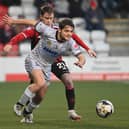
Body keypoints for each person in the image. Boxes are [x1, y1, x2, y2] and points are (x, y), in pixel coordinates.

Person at [3, 6, 96, 124]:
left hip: (52, 62)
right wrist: (13, 24)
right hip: (35, 60)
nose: (49, 21)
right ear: (41, 17)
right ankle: (19, 105)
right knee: (38, 84)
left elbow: (76, 43)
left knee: (43, 94)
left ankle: (29, 111)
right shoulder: (42, 29)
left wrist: (84, 56)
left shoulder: (65, 34)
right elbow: (26, 29)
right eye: (46, 18)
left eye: (51, 18)